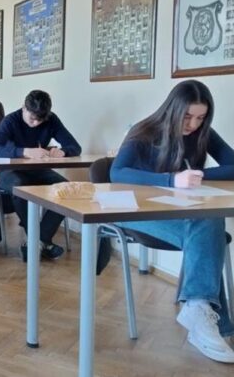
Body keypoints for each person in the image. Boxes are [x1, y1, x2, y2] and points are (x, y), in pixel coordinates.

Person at [110, 79, 234, 363]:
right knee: (208, 228)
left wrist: (199, 176)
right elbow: (117, 172)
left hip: (177, 211)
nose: (193, 124)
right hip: (135, 211)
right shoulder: (144, 131)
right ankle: (206, 319)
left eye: (201, 118)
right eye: (188, 116)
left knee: (208, 222)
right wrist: (171, 180)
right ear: (173, 109)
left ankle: (198, 309)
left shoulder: (201, 132)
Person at [0, 90, 81, 261]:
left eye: (40, 120)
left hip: (38, 170)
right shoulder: (10, 121)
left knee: (67, 189)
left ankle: (37, 241)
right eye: (32, 118)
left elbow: (75, 146)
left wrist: (63, 151)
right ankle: (42, 242)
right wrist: (24, 151)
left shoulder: (51, 119)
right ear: (24, 108)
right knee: (21, 186)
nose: (36, 123)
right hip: (9, 171)